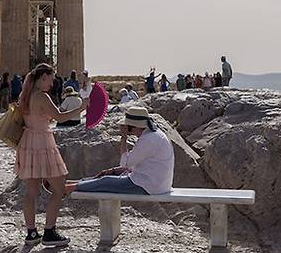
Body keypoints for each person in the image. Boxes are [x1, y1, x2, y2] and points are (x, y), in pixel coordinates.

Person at [14, 63, 88, 247]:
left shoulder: (26, 95)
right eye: (51, 78)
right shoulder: (42, 96)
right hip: (42, 142)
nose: (53, 82)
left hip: (28, 142)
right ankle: (49, 231)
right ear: (43, 77)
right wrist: (82, 107)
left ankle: (31, 233)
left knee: (31, 192)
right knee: (60, 185)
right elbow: (60, 117)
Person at [65, 107, 174, 196]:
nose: (127, 130)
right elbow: (134, 163)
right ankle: (74, 183)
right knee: (105, 176)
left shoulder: (148, 140)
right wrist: (113, 170)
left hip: (149, 186)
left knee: (106, 181)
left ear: (135, 126)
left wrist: (124, 138)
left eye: (128, 128)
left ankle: (67, 188)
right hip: (158, 184)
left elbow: (125, 163)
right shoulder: (155, 135)